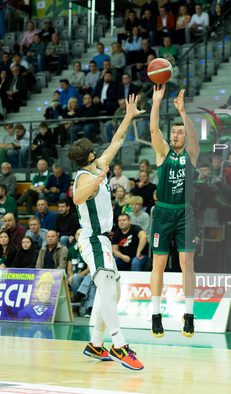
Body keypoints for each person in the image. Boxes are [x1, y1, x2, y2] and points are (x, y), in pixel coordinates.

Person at [68, 94, 145, 370]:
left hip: (101, 240)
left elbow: (117, 141)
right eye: (93, 151)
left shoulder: (97, 167)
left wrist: (128, 115)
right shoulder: (84, 177)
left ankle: (96, 344)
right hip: (94, 240)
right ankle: (120, 345)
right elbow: (78, 198)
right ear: (88, 155)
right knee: (109, 294)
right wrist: (99, 180)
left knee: (114, 293)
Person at [148, 85, 198, 339]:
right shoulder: (162, 153)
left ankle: (189, 314)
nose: (177, 135)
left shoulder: (191, 154)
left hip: (185, 214)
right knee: (159, 263)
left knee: (186, 264)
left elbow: (194, 136)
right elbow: (154, 130)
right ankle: (156, 314)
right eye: (174, 132)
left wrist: (183, 112)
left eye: (180, 132)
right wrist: (157, 101)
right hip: (164, 213)